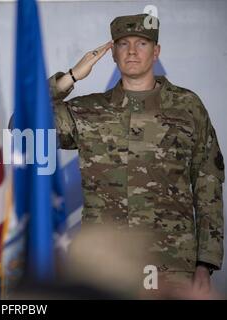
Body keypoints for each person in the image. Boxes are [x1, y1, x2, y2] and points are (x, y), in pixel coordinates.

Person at [49, 14, 224, 296]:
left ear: (156, 52)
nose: (132, 51)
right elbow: (22, 125)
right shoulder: (87, 111)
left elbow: (208, 186)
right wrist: (69, 78)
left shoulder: (188, 107)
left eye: (142, 43)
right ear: (113, 53)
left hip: (172, 263)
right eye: (123, 44)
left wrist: (206, 263)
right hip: (103, 264)